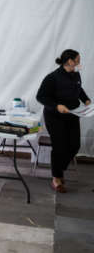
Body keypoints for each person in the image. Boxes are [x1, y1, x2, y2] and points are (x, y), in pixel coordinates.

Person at [36, 49, 91, 193]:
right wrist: (56, 106)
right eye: (78, 59)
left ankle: (58, 169)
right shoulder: (52, 78)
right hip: (55, 117)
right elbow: (41, 97)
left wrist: (85, 99)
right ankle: (56, 178)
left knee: (74, 145)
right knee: (59, 147)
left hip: (72, 114)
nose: (80, 62)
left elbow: (78, 89)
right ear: (70, 61)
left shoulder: (76, 74)